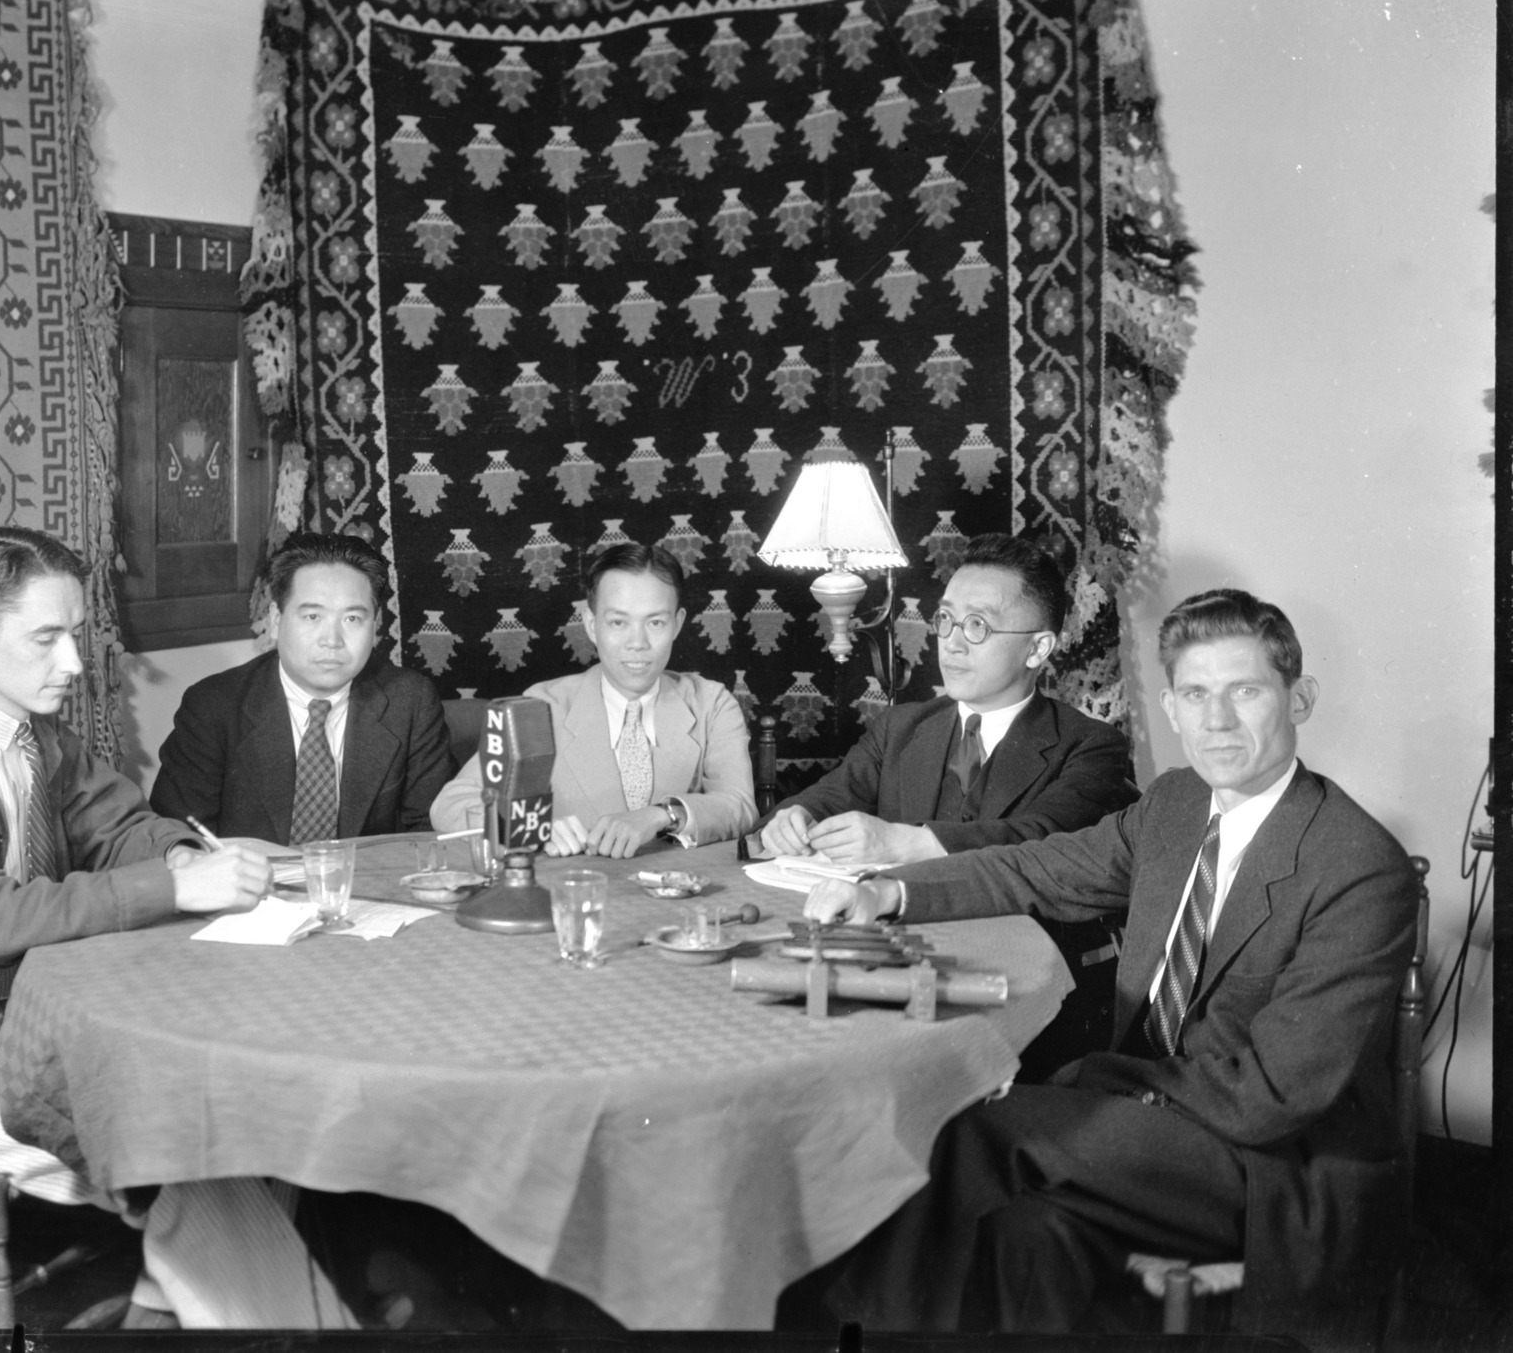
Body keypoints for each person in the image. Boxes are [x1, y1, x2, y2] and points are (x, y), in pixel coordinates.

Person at [796, 588, 1416, 1338]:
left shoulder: (1356, 864)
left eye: (1245, 691)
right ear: (1171, 707)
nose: (1217, 720)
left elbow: (1270, 1097)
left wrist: (1095, 1081)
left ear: (1300, 698)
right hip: (1155, 1132)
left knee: (955, 1127)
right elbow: (1037, 867)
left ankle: (853, 1336)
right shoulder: (1176, 804)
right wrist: (890, 891)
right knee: (1026, 1231)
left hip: (1273, 1169)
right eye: (1196, 694)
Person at [0, 525, 357, 1329]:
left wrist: (182, 853)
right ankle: (288, 1323)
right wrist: (174, 886)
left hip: (24, 1027)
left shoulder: (38, 736)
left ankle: (181, 1309)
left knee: (230, 1102)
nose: (72, 661)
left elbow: (124, 825)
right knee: (182, 1137)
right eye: (46, 638)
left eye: (76, 634)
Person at [754, 533, 1139, 1076]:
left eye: (977, 626)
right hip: (886, 963)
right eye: (946, 621)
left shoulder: (1090, 746)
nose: (952, 644)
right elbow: (825, 797)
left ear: (1037, 649)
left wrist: (908, 842)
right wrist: (792, 820)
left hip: (1014, 988)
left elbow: (1042, 840)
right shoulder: (900, 727)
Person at [429, 541, 756, 857]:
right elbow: (450, 804)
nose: (637, 643)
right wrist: (529, 827)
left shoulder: (712, 703)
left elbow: (739, 806)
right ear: (591, 624)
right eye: (618, 622)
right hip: (573, 887)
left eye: (655, 622)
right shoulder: (539, 707)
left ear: (677, 624)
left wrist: (663, 814)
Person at [150, 532, 453, 845]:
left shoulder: (411, 701)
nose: (332, 640)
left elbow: (430, 835)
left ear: (375, 625)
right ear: (276, 619)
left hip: (365, 877)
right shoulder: (213, 706)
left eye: (352, 619)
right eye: (312, 616)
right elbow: (176, 839)